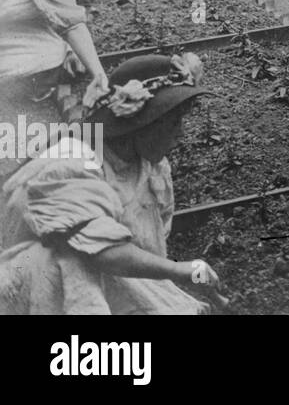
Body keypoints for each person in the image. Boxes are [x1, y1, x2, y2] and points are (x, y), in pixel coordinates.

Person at [0, 53, 221, 314]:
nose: (181, 133)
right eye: (173, 123)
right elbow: (102, 252)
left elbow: (144, 255)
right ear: (141, 123)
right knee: (72, 258)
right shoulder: (73, 161)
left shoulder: (152, 169)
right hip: (35, 289)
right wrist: (180, 270)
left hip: (105, 282)